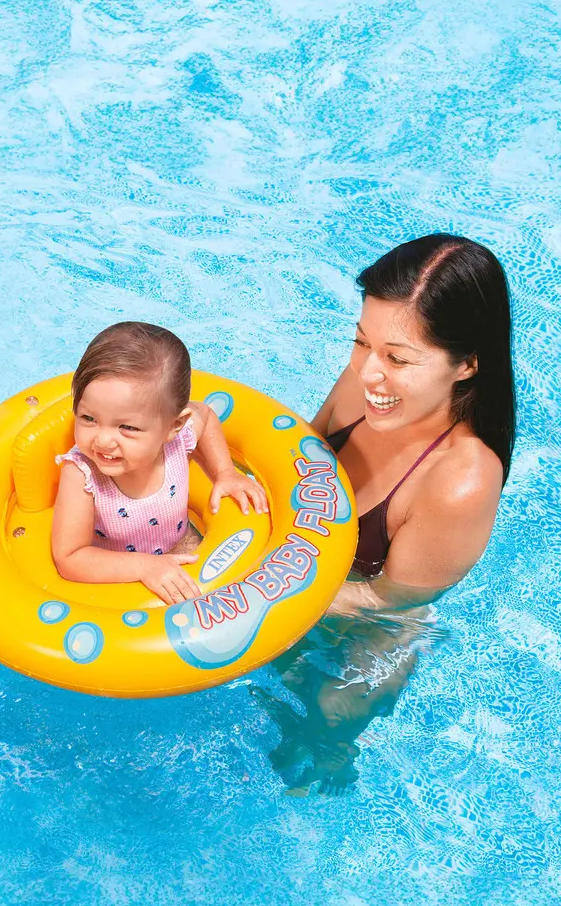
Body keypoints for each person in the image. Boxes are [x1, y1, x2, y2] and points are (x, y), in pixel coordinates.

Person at [262, 234, 516, 794]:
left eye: (398, 358)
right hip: (297, 575)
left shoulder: (460, 481)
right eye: (362, 342)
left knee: (326, 716)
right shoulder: (369, 384)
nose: (368, 372)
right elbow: (293, 472)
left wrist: (252, 580)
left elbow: (386, 603)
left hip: (370, 625)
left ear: (467, 364)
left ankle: (333, 768)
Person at [51, 321, 267, 605]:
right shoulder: (81, 473)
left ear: (173, 426)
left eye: (127, 427)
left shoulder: (179, 439)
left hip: (182, 544)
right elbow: (70, 557)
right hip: (120, 580)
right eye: (88, 418)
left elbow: (205, 415)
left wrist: (225, 472)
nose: (102, 440)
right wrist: (144, 566)